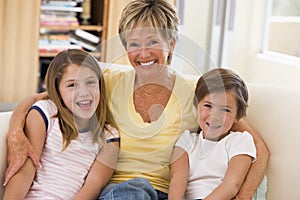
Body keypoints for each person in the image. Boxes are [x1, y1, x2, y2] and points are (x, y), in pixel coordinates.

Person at [4, 0, 269, 199]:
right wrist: (16, 135)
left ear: (172, 43)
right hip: (114, 193)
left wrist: (243, 195)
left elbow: (259, 146)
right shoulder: (106, 83)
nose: (142, 54)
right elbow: (41, 98)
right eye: (133, 44)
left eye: (152, 41)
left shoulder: (198, 93)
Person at [3, 49, 120, 199]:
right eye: (72, 85)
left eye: (90, 82)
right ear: (57, 91)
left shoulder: (110, 136)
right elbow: (25, 171)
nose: (83, 92)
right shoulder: (45, 113)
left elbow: (94, 184)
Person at [169, 68, 257, 200]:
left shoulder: (240, 140)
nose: (215, 116)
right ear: (196, 106)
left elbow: (232, 184)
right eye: (208, 106)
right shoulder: (186, 140)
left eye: (225, 109)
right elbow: (177, 180)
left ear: (237, 116)